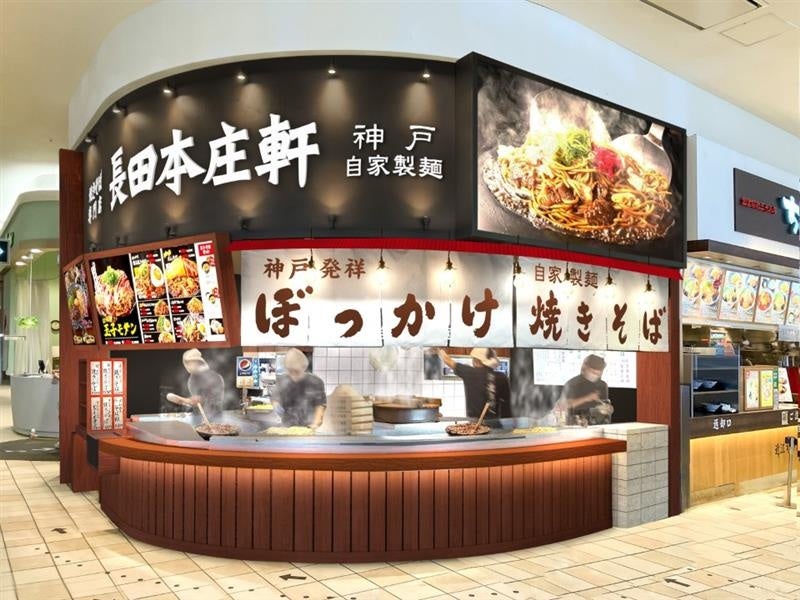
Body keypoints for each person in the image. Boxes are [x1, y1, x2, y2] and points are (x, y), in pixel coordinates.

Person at [438, 348, 511, 419]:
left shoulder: (470, 373)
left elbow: (447, 360)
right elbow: (507, 404)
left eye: (473, 358)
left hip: (475, 424)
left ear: (477, 360)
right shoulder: (502, 377)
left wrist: (438, 349)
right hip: (496, 423)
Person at [273, 348, 326, 429]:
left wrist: (316, 422)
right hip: (287, 427)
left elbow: (320, 405)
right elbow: (275, 397)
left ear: (303, 367)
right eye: (290, 371)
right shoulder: (282, 381)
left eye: (296, 371)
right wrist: (276, 405)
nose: (293, 374)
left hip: (309, 426)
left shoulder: (315, 382)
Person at [166, 348, 226, 419]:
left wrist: (200, 400)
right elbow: (195, 401)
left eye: (192, 362)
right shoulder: (192, 379)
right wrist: (189, 401)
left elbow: (216, 400)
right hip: (198, 417)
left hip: (216, 416)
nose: (189, 365)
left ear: (199, 362)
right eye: (187, 363)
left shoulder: (215, 377)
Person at [558, 354, 611, 425]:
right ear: (585, 368)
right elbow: (562, 406)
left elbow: (603, 406)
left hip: (596, 424)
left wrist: (605, 409)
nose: (595, 376)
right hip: (575, 425)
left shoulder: (602, 385)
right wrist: (587, 398)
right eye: (593, 372)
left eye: (598, 374)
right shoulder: (572, 384)